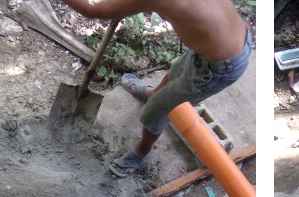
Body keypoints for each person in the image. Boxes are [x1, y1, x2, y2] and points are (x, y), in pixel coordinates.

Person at [60, 0, 253, 177]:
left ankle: (142, 152)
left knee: (158, 109)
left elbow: (92, 10)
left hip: (221, 67)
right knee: (178, 71)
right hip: (231, 41)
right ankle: (152, 93)